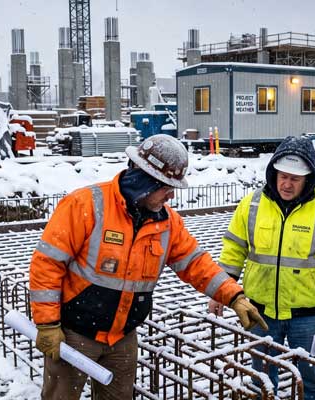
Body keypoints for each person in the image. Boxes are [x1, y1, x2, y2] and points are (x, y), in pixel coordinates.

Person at [29, 134, 267, 400]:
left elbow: (195, 263)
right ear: (145, 179)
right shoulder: (86, 204)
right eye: (166, 186)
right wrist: (47, 324)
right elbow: (47, 264)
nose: (171, 194)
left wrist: (233, 296)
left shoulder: (167, 222)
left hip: (122, 337)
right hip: (75, 333)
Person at [208, 136, 315, 400]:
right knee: (261, 378)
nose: (287, 184)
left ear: (308, 178)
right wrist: (222, 291)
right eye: (283, 176)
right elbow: (233, 251)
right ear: (273, 173)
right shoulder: (252, 204)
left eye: (295, 179)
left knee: (313, 379)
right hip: (260, 311)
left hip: (308, 315)